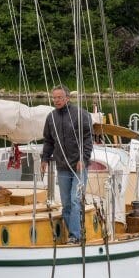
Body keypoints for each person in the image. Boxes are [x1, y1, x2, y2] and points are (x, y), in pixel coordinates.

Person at [40, 85, 94, 244]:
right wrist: (44, 159)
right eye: (54, 97)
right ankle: (74, 235)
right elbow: (48, 141)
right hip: (62, 166)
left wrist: (83, 159)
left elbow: (88, 140)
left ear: (67, 98)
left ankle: (75, 236)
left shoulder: (81, 115)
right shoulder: (51, 118)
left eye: (59, 97)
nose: (56, 100)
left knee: (75, 200)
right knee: (66, 204)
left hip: (79, 166)